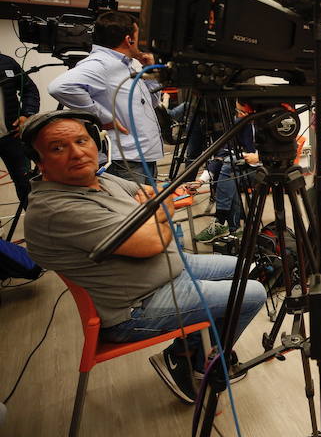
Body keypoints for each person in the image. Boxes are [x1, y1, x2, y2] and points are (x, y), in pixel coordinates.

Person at [21, 110, 266, 404]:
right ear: (40, 161)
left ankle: (192, 346)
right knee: (253, 294)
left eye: (81, 141)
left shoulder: (98, 181)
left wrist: (155, 214)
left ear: (95, 142)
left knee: (248, 267)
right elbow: (153, 238)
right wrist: (159, 216)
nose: (77, 153)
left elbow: (159, 195)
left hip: (167, 272)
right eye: (58, 148)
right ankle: (190, 362)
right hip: (137, 307)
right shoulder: (57, 209)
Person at [48, 12, 163, 185]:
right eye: (140, 36)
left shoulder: (125, 65)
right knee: (130, 211)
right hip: (126, 160)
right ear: (128, 40)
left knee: (145, 210)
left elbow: (151, 103)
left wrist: (150, 70)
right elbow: (60, 87)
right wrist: (103, 118)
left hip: (140, 157)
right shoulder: (101, 63)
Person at [194, 101, 258, 242]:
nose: (239, 115)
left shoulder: (267, 125)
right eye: (237, 111)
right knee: (229, 171)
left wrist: (259, 157)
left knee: (229, 168)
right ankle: (234, 230)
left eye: (242, 112)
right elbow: (222, 153)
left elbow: (286, 153)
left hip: (264, 169)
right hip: (239, 168)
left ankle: (221, 221)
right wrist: (201, 180)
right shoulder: (238, 124)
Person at [0, 52, 40, 208]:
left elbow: (29, 89)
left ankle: (36, 223)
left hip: (12, 136)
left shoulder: (6, 62)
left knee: (26, 184)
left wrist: (27, 115)